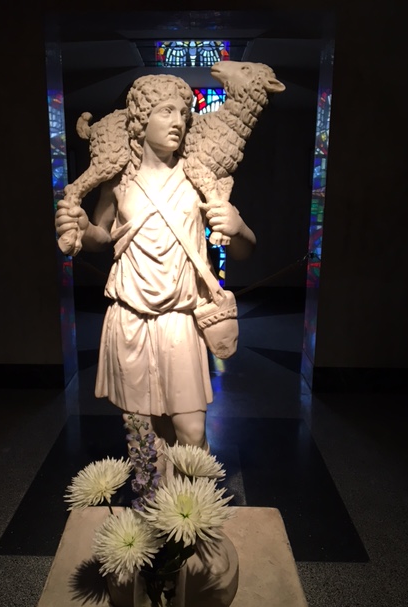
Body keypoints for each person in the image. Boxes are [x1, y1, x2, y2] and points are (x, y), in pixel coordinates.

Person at [55, 74, 256, 453]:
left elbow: (244, 250)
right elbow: (102, 237)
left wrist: (239, 227)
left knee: (191, 432)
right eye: (166, 111)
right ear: (141, 120)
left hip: (180, 319)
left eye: (183, 113)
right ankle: (154, 492)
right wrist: (82, 228)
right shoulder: (119, 182)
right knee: (143, 438)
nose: (178, 121)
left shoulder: (200, 177)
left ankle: (191, 493)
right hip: (130, 317)